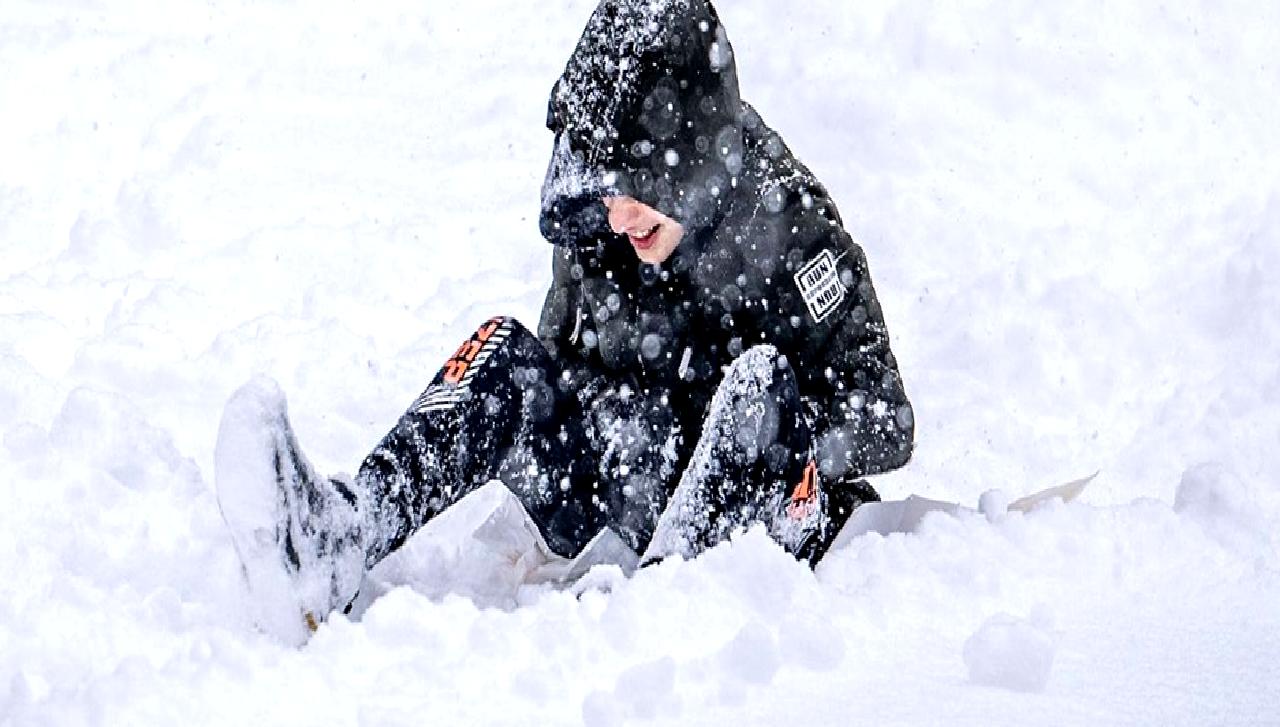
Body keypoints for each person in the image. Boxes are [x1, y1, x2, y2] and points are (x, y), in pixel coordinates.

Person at [214, 0, 913, 645]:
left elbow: (887, 417)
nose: (616, 216)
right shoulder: (601, 220)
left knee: (759, 384)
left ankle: (673, 610)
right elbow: (562, 355)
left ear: (689, 163)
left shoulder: (787, 223)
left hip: (756, 525)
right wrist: (621, 431)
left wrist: (795, 450)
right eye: (606, 190)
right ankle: (338, 539)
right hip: (637, 482)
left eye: (635, 192)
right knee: (507, 353)